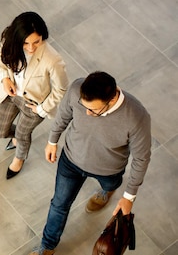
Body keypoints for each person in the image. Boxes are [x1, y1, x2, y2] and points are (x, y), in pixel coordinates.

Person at [30, 71, 152, 255]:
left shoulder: (136, 117)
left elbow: (141, 158)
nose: (87, 113)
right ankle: (47, 246)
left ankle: (107, 190)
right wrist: (52, 141)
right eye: (84, 107)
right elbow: (63, 115)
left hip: (108, 170)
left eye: (93, 110)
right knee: (58, 205)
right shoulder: (77, 90)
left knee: (112, 184)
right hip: (71, 160)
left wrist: (129, 197)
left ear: (111, 100)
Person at [0, 12, 68, 179]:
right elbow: (2, 58)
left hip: (33, 105)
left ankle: (19, 158)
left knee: (22, 134)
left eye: (36, 41)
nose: (31, 48)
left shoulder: (52, 60)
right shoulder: (8, 38)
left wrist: (42, 109)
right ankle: (18, 140)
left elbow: (61, 88)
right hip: (10, 95)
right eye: (25, 43)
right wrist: (5, 78)